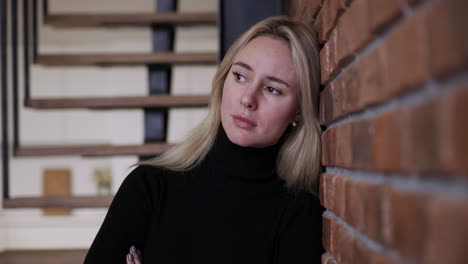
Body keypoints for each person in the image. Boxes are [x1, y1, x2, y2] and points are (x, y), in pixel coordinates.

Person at [84, 15, 324, 264]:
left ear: (298, 110)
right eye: (241, 76)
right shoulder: (149, 188)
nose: (248, 98)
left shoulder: (298, 214)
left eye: (272, 89)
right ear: (223, 82)